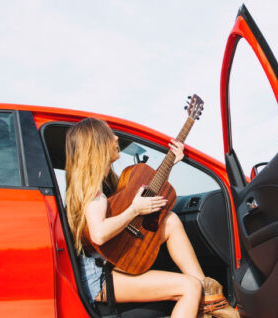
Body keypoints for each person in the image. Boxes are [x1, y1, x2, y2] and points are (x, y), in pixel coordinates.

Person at [64, 117, 235, 318]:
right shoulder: (93, 193)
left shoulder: (106, 182)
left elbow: (146, 195)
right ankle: (204, 294)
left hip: (112, 259)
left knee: (169, 220)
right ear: (98, 145)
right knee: (189, 287)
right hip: (102, 278)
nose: (116, 137)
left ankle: (207, 294)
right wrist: (134, 210)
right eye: (110, 135)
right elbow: (99, 235)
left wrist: (171, 162)